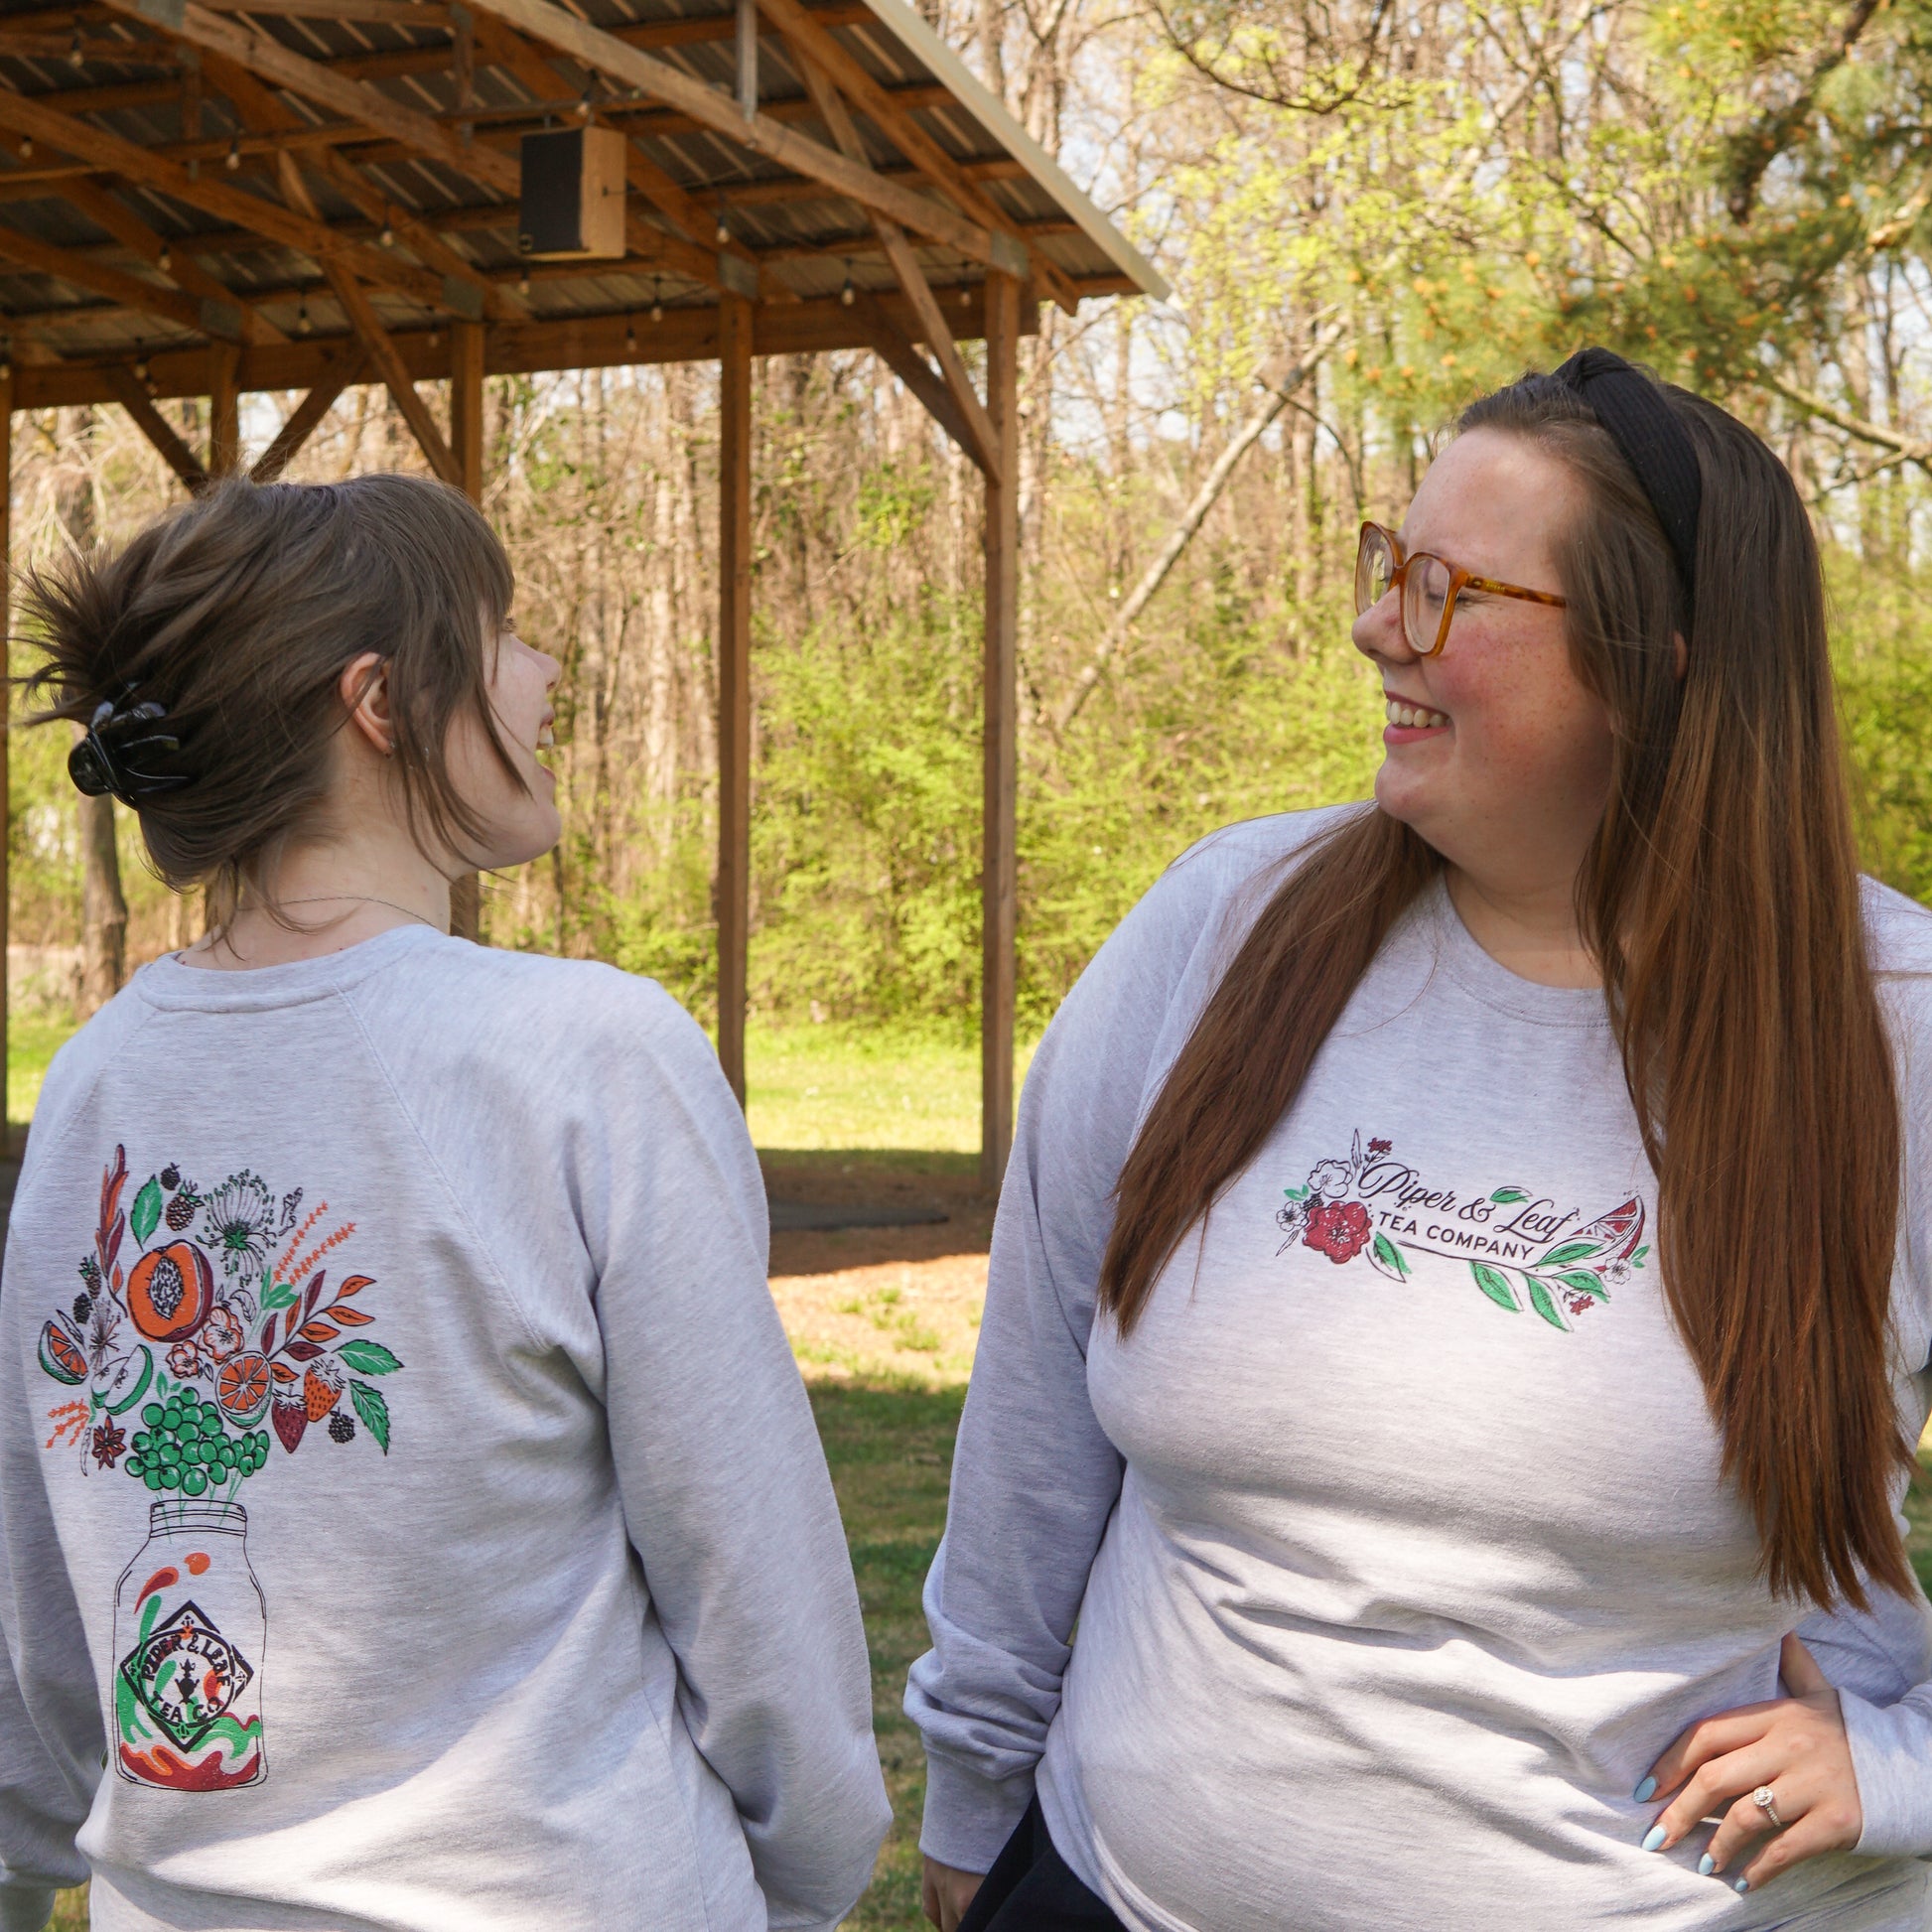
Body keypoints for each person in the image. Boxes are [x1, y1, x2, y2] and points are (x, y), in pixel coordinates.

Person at [907, 349, 1932, 1931]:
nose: (1377, 622)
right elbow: (1033, 1423)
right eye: (1391, 562)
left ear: (1654, 666)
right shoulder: (1221, 927)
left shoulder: (1890, 1033)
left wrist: (1901, 1766)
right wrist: (977, 1809)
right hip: (1114, 1892)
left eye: (1450, 588)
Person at [0, 475, 890, 1931]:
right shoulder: (587, 1057)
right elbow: (749, 1572)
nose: (547, 675)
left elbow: (43, 1596)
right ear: (382, 701)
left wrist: (51, 1839)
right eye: (506, 633)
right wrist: (812, 1865)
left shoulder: (96, 1079)